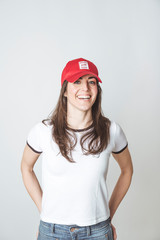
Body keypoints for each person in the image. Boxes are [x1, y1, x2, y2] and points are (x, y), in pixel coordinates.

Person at [21, 58, 133, 240]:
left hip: (97, 232)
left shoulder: (111, 131)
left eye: (92, 82)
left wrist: (108, 216)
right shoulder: (42, 131)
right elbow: (26, 167)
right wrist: (46, 215)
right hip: (52, 231)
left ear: (97, 89)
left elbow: (127, 170)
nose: (85, 89)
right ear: (65, 90)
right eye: (77, 81)